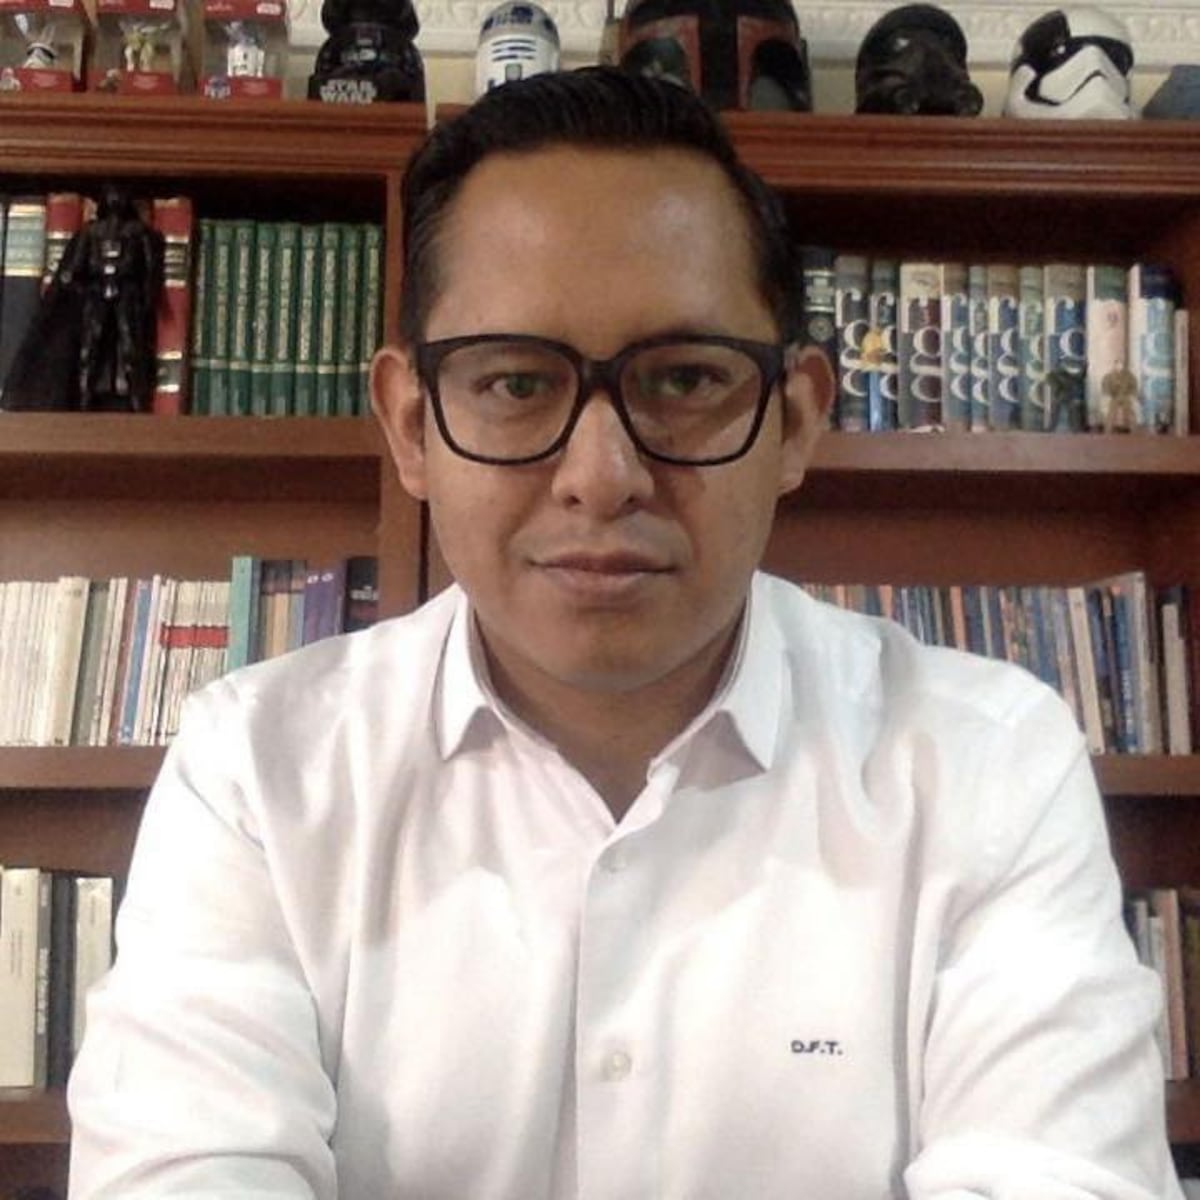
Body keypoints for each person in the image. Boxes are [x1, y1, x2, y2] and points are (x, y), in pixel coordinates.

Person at [68, 66, 1182, 1198]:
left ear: (796, 420)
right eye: (515, 383)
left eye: (686, 379)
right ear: (412, 426)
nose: (601, 478)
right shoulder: (260, 770)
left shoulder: (985, 762)